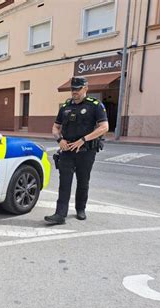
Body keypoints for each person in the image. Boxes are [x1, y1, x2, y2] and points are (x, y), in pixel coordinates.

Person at [44, 76, 109, 225]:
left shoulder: (95, 105)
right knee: (64, 182)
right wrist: (60, 140)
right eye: (73, 89)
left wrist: (84, 139)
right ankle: (60, 214)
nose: (74, 92)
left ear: (86, 88)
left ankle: (80, 209)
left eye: (77, 89)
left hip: (86, 150)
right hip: (67, 150)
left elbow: (104, 127)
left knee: (83, 181)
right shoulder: (65, 106)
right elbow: (55, 127)